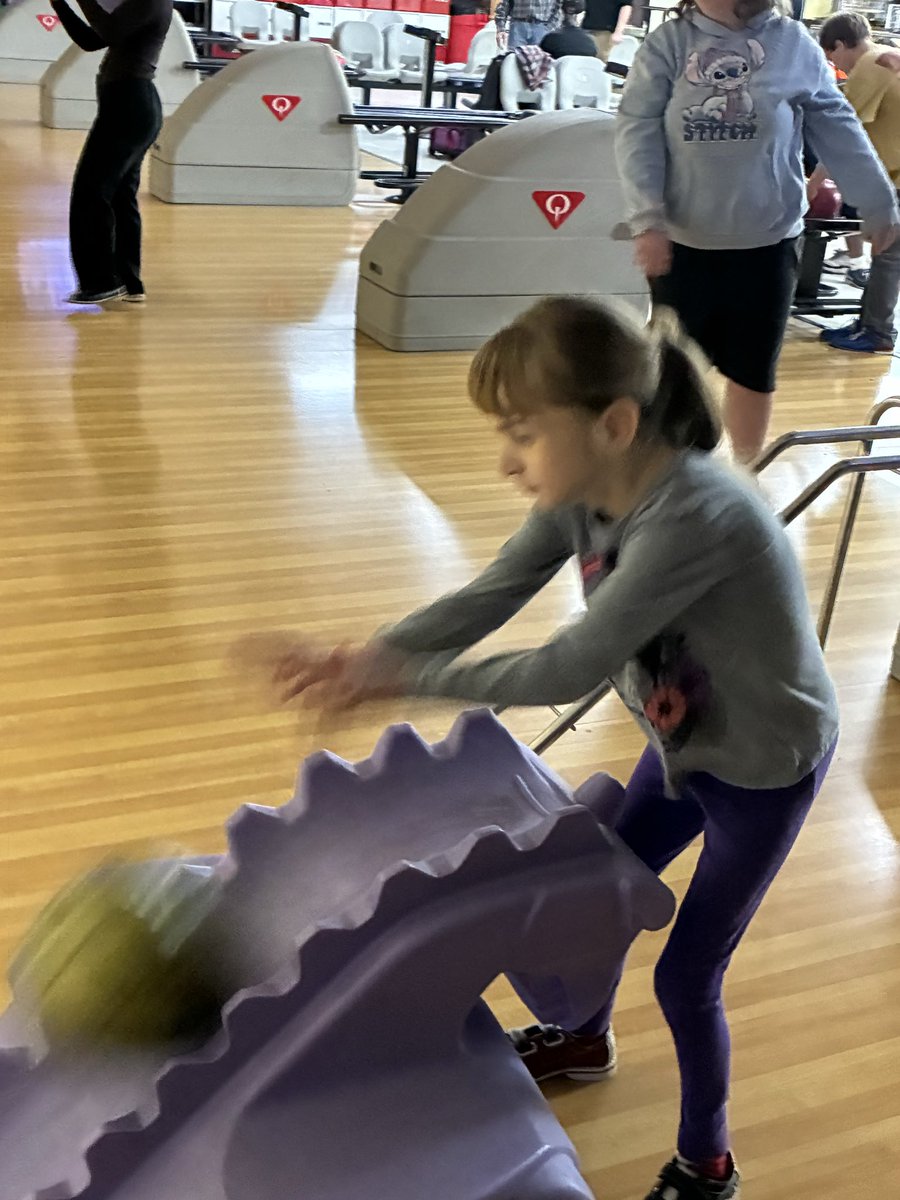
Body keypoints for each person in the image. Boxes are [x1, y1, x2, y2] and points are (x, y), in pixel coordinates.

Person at [237, 297, 841, 1200]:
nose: (507, 461)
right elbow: (491, 594)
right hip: (685, 746)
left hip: (762, 768)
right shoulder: (590, 490)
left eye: (522, 433)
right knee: (590, 893)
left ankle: (706, 1165)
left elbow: (567, 666)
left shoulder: (694, 516)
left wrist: (400, 680)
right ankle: (585, 1039)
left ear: (615, 423)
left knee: (687, 975)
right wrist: (368, 656)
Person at [615, 0, 899, 462]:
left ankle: (744, 479)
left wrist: (876, 198)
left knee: (752, 371)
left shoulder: (793, 43)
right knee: (670, 376)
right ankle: (662, 483)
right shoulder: (669, 44)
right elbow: (637, 131)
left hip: (768, 242)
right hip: (684, 245)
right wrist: (647, 220)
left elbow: (836, 123)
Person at [50, 0, 173, 305]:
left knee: (90, 191)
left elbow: (110, 31)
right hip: (128, 104)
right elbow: (92, 40)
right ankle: (129, 283)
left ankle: (102, 282)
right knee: (119, 194)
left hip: (130, 105)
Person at [812, 12, 900, 353]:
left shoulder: (870, 64)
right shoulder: (885, 56)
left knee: (888, 255)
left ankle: (877, 332)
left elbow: (841, 134)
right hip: (892, 175)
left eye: (832, 57)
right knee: (884, 254)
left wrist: (813, 184)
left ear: (839, 45)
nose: (835, 66)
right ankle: (869, 323)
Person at [495, 0, 561, 50]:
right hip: (518, 27)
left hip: (542, 28)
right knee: (513, 60)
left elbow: (560, 8)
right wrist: (501, 29)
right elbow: (504, 5)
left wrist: (549, 28)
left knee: (540, 63)